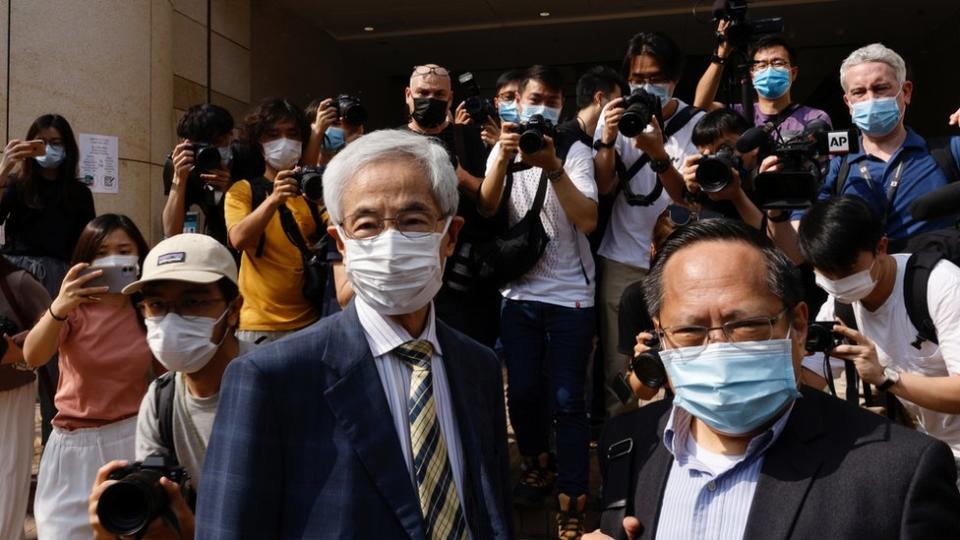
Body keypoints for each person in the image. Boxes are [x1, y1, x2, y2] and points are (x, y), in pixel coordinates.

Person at [195, 130, 513, 538]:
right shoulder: (270, 378)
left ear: (449, 236)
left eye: (413, 220)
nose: (391, 241)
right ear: (340, 244)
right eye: (366, 225)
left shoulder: (479, 366)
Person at [587, 219, 960, 540]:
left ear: (798, 325)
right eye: (690, 330)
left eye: (746, 325)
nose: (718, 349)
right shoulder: (627, 446)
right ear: (660, 334)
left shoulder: (898, 473)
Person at [480, 64, 597, 539]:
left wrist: (552, 166)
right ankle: (537, 461)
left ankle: (572, 496)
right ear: (517, 101)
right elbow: (488, 207)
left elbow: (587, 219)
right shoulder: (503, 146)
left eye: (551, 100)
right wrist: (502, 160)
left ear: (561, 105)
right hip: (519, 294)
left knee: (569, 403)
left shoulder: (574, 151)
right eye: (534, 98)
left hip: (570, 295)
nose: (541, 107)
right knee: (523, 392)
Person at [88, 233, 247, 540]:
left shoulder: (274, 388)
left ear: (234, 309)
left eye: (193, 302)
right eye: (157, 304)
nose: (172, 320)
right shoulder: (161, 398)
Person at [798, 196, 960, 478]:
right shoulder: (839, 305)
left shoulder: (940, 285)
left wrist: (886, 377)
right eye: (825, 272)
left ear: (881, 247)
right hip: (933, 449)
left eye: (846, 271)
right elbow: (807, 381)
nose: (836, 283)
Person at [592, 32, 705, 419]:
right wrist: (607, 139)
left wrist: (659, 155)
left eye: (655, 77)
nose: (645, 86)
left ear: (674, 79)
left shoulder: (698, 125)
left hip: (683, 261)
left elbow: (692, 200)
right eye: (637, 78)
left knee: (687, 357)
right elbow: (604, 187)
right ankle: (624, 449)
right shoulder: (616, 121)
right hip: (623, 258)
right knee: (620, 366)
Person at [23, 214, 153, 540]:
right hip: (73, 446)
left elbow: (170, 374)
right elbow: (33, 356)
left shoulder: (149, 308)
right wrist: (59, 307)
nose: (114, 258)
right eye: (102, 251)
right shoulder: (73, 310)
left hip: (133, 442)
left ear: (139, 255)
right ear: (86, 260)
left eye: (124, 250)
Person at [790, 43, 960, 244]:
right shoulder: (835, 169)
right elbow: (799, 248)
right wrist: (777, 211)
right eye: (859, 92)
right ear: (848, 104)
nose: (870, 99)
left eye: (880, 88)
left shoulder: (949, 152)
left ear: (905, 92)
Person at [0, 113, 95, 442]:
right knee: (10, 358)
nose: (50, 150)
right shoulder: (16, 185)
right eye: (42, 142)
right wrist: (4, 170)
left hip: (57, 279)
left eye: (57, 143)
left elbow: (87, 243)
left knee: (54, 363)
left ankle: (56, 440)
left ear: (68, 147)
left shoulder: (79, 193)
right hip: (14, 277)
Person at [406, 64, 504, 348]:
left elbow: (491, 206)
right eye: (423, 92)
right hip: (413, 273)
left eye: (438, 94)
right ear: (408, 94)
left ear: (450, 99)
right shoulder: (392, 142)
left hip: (465, 283)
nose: (430, 100)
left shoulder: (471, 139)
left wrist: (460, 176)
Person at [225, 98, 327, 345]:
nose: (284, 141)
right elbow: (238, 239)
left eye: (292, 134)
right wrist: (274, 200)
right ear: (259, 144)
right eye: (273, 134)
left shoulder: (311, 190)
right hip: (259, 327)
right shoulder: (243, 190)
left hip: (311, 322)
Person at [695, 30, 831, 137]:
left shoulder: (815, 118)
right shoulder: (736, 115)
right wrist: (721, 53)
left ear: (793, 73)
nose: (770, 69)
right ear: (752, 74)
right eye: (762, 65)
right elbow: (700, 106)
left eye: (778, 63)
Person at [0, 256, 50, 540]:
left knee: (8, 481)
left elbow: (57, 328)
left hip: (12, 392)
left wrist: (18, 348)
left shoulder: (17, 282)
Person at [162, 104, 236, 244]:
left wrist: (233, 190)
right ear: (185, 143)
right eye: (201, 146)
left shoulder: (245, 158)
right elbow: (171, 233)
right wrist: (179, 180)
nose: (209, 152)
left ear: (230, 137)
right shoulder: (181, 164)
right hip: (216, 246)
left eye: (216, 143)